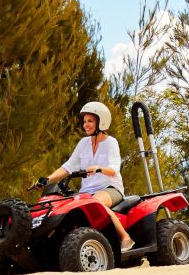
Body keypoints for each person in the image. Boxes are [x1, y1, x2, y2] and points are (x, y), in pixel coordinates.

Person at [33, 101, 135, 252]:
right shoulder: (83, 143)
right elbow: (68, 166)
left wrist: (98, 169)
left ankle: (125, 237)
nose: (85, 125)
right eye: (84, 121)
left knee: (95, 202)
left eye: (90, 121)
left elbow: (114, 169)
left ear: (101, 122)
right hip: (86, 193)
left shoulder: (111, 143)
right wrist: (47, 179)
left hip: (110, 188)